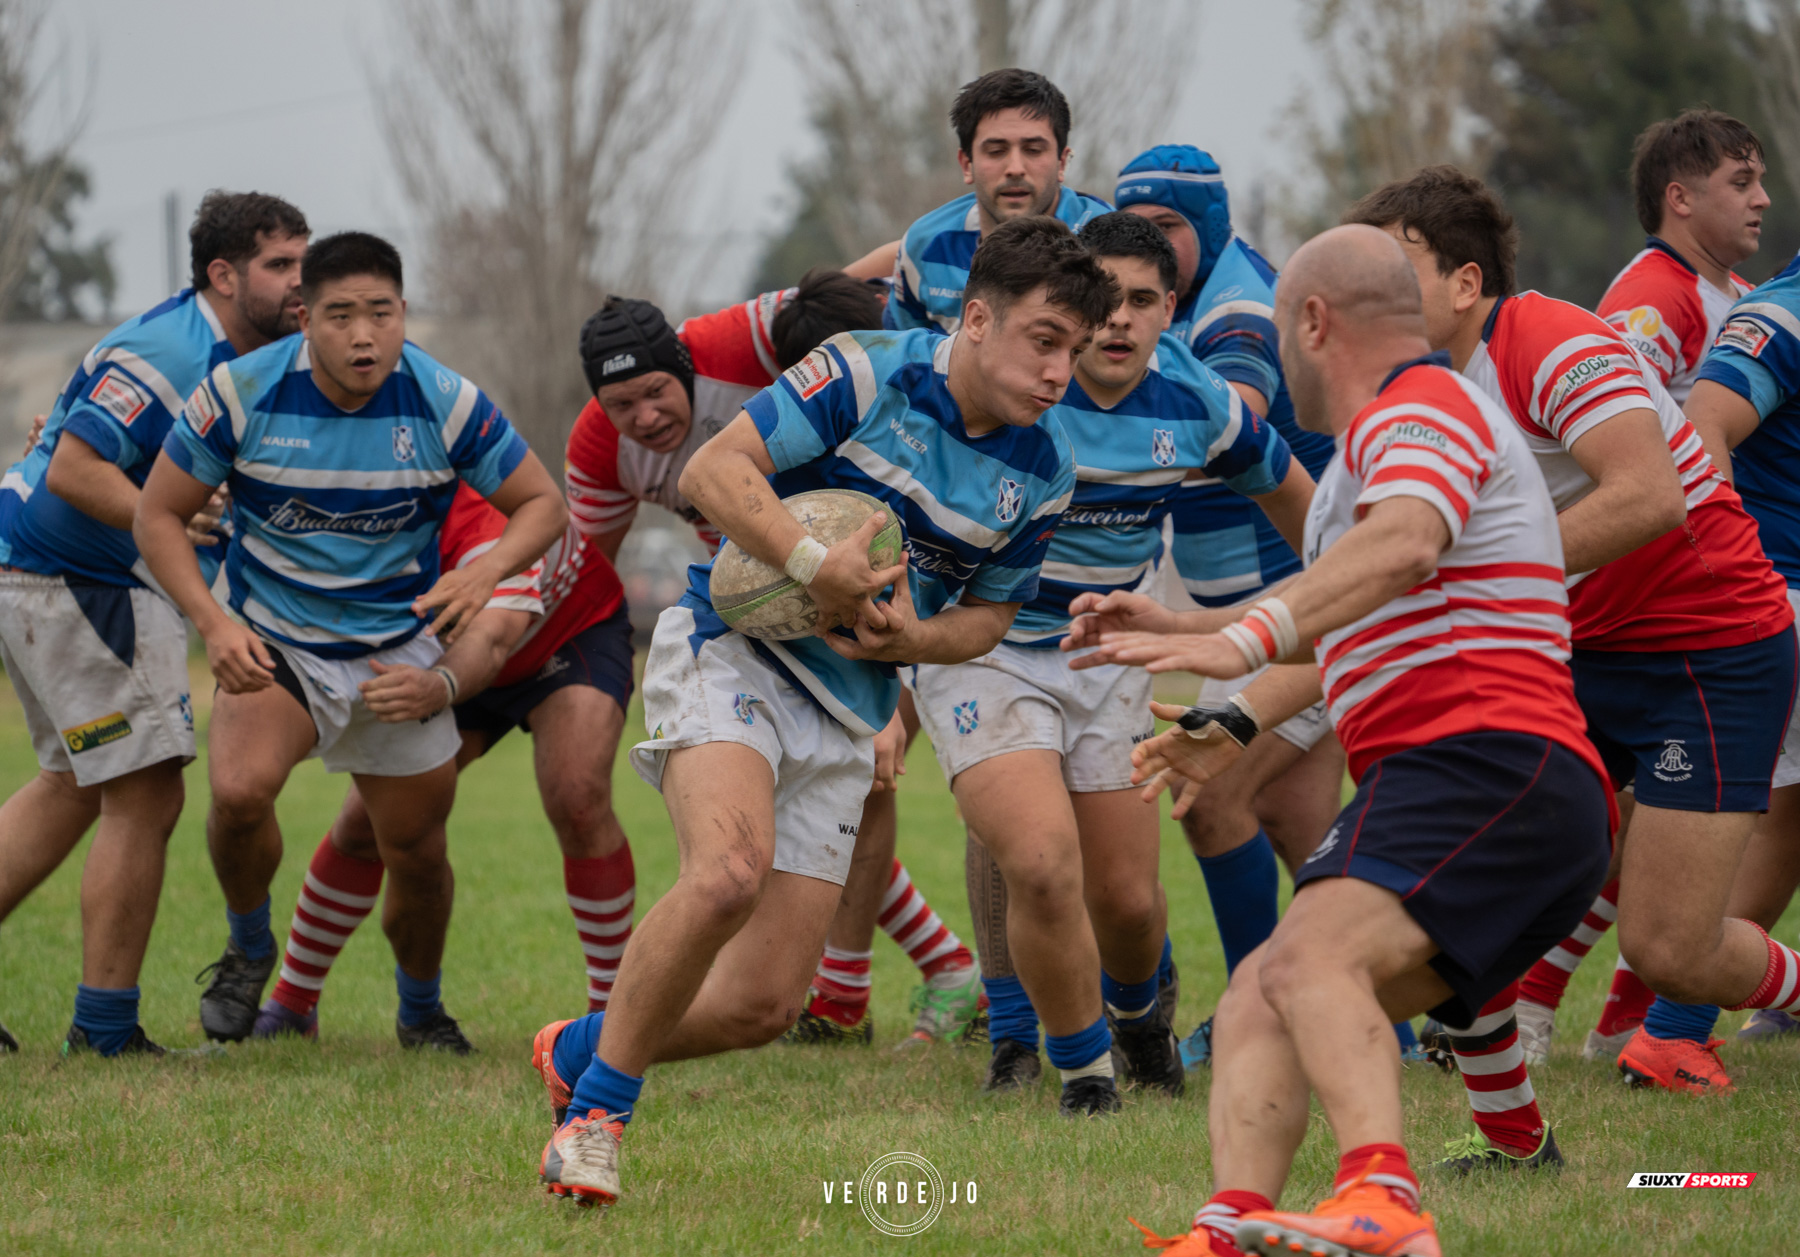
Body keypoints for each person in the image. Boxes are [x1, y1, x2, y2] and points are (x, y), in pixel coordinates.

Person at [532, 216, 1106, 1206]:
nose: (1060, 371)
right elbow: (712, 473)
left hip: (848, 710)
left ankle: (576, 1048)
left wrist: (913, 639)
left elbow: (990, 618)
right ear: (977, 319)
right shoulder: (868, 372)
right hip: (732, 652)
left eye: (1075, 350)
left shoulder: (1044, 468)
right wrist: (811, 563)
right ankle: (595, 1122)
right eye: (1043, 340)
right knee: (727, 873)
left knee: (761, 1006)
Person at [1082, 224, 1612, 1257]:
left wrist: (1236, 638)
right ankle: (1225, 1229)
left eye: (1281, 332)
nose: (1280, 358)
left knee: (1310, 959)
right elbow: (1356, 617)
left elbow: (1406, 545)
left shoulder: (1422, 408)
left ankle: (1384, 1202)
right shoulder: (1376, 453)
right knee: (1261, 994)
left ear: (1314, 323)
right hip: (1473, 779)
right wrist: (1220, 682)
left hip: (1488, 762)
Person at [1347, 169, 1794, 1147]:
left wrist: (1493, 575)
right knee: (1466, 867)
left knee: (1671, 950)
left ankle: (1791, 988)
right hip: (1578, 646)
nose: (1371, 298)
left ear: (1465, 282)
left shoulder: (1547, 337)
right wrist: (1239, 690)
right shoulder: (1409, 396)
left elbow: (1650, 496)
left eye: (1395, 273)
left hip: (1708, 649)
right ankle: (1515, 1143)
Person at [908, 211, 1312, 1100]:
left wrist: (1335, 593)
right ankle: (1082, 1070)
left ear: (1171, 308)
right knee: (1041, 862)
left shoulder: (1198, 402)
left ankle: (1138, 1022)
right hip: (987, 649)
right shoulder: (1014, 387)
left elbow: (1305, 511)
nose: (1120, 319)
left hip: (1108, 656)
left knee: (1127, 900)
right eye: (1105, 300)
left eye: (1143, 300)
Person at [133, 231, 568, 1051]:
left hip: (396, 651)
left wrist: (483, 573)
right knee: (238, 794)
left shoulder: (445, 400)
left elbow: (544, 504)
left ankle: (421, 1009)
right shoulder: (240, 392)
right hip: (280, 643)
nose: (364, 335)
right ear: (304, 318)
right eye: (340, 316)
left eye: (381, 313)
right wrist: (215, 624)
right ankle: (249, 944)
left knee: (418, 855)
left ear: (404, 312)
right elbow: (156, 515)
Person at [570, 277, 983, 1040]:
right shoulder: (600, 447)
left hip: (841, 622)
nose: (644, 415)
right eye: (621, 404)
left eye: (656, 392)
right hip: (746, 621)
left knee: (851, 798)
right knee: (746, 848)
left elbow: (848, 295)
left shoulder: (772, 357)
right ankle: (902, 973)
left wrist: (891, 694)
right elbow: (592, 571)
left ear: (689, 368)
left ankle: (875, 983)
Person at [0, 191, 308, 1055]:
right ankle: (104, 1031)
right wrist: (162, 515)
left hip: (45, 572)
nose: (301, 280)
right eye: (280, 264)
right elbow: (73, 467)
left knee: (74, 784)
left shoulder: (250, 353)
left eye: (304, 261)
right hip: (77, 577)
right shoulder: (175, 350)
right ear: (223, 275)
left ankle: (104, 1023)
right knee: (145, 790)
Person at [1511, 110, 1772, 1063]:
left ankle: (1622, 1015)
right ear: (1679, 197)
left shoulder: (1735, 295)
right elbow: (1634, 468)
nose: (1762, 198)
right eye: (1741, 181)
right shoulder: (1650, 302)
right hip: (1641, 617)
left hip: (1703, 608)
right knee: (1619, 823)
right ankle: (1574, 1008)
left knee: (1665, 831)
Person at [1115, 145, 1348, 1067]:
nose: (1153, 244)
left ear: (1209, 226)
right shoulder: (1164, 299)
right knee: (1299, 826)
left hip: (1298, 598)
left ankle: (1256, 1011)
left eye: (1170, 226)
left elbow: (1232, 418)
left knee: (1209, 796)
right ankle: (1403, 1026)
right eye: (1137, 226)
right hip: (1259, 601)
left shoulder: (1235, 308)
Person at [249, 483, 546, 1037]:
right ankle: (290, 1001)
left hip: (522, 650)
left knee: (574, 796)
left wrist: (441, 685)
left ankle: (426, 1011)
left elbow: (494, 635)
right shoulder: (333, 478)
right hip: (424, 660)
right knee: (352, 822)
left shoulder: (483, 501)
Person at [1687, 251, 1800, 1042]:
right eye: (1741, 188)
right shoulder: (1784, 309)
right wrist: (1734, 574)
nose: (1759, 197)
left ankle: (1670, 1025)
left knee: (1784, 819)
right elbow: (1705, 423)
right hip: (1780, 587)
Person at [886, 68, 1109, 334]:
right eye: (996, 151)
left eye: (1033, 150)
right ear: (966, 164)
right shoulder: (925, 246)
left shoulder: (1108, 244)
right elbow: (902, 353)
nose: (1015, 168)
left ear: (1062, 163)